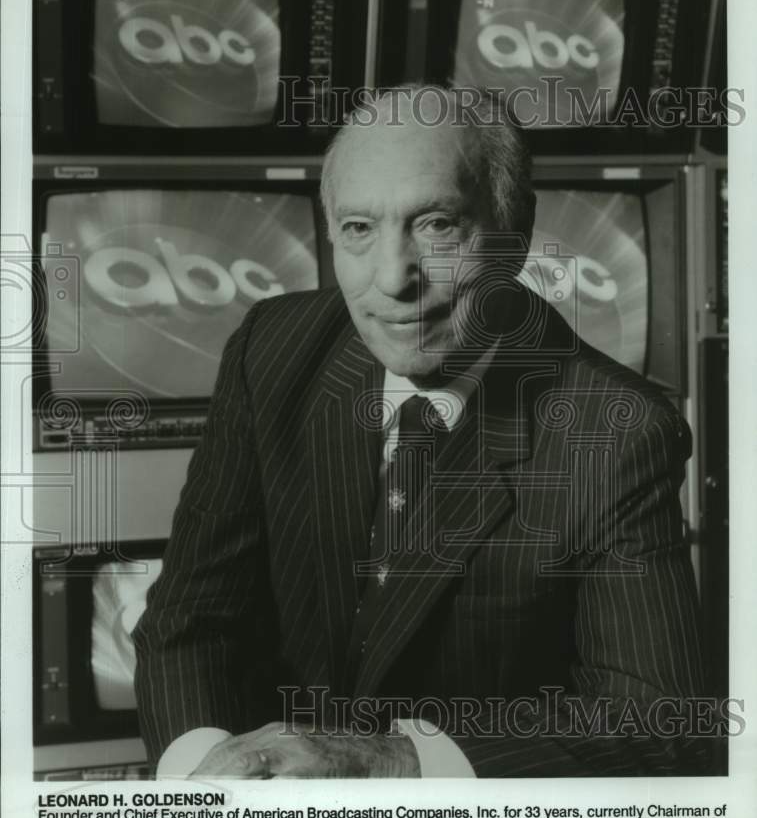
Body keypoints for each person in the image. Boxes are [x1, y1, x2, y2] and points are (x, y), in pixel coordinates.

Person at [133, 86, 707, 778]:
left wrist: (389, 765)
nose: (392, 279)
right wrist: (208, 778)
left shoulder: (617, 430)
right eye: (358, 230)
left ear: (514, 231)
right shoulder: (272, 349)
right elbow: (189, 619)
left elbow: (655, 725)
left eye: (436, 224)